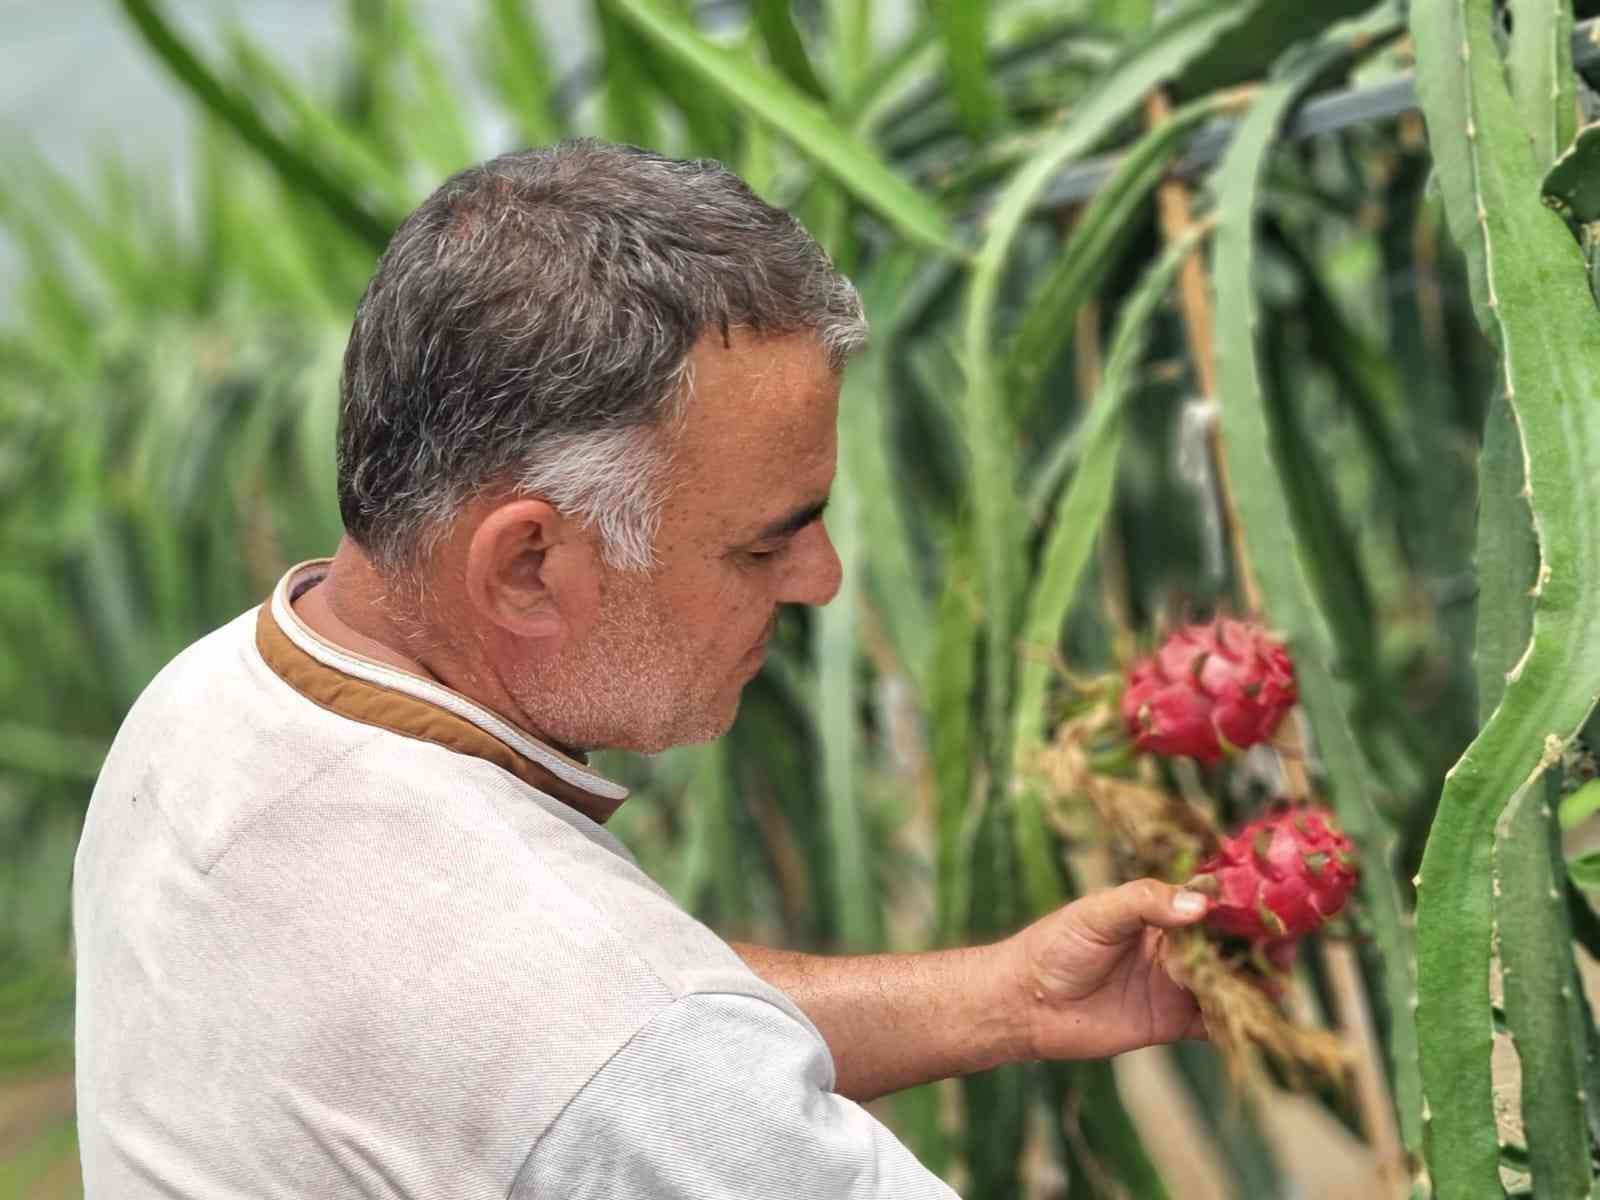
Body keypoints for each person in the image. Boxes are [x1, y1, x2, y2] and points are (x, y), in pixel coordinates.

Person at [72, 138, 1211, 1197]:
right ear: (526, 565)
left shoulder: (215, 701)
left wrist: (1001, 999)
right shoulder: (604, 1041)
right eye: (765, 538)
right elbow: (612, 1043)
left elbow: (586, 1034)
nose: (820, 579)